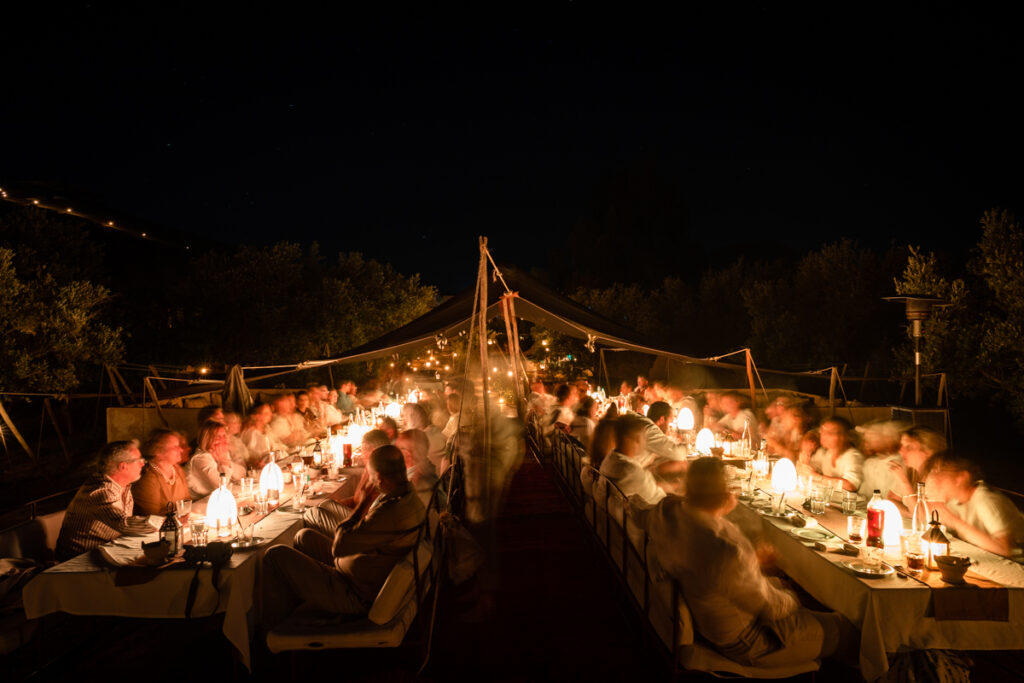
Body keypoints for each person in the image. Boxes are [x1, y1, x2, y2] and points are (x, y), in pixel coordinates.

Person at [649, 457, 854, 668]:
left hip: (714, 615)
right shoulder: (726, 550)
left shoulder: (669, 511)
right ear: (724, 492)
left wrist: (758, 569)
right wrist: (796, 597)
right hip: (750, 640)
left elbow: (721, 574)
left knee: (787, 588)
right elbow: (771, 608)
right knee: (846, 627)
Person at [262, 445, 426, 626]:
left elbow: (339, 546)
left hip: (354, 592)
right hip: (361, 573)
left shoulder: (391, 512)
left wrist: (362, 504)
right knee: (304, 536)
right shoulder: (407, 497)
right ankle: (307, 601)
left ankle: (277, 628)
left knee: (274, 555)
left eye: (369, 475)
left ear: (378, 479)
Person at [56, 440, 151, 560]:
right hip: (79, 561)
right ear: (123, 466)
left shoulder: (123, 486)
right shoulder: (100, 491)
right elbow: (123, 524)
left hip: (105, 552)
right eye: (139, 461)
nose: (143, 464)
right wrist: (167, 522)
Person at [925, 451, 1024, 559]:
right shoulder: (956, 500)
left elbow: (1005, 549)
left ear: (961, 477)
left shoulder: (985, 499)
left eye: (940, 475)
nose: (935, 479)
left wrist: (955, 522)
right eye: (934, 473)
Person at [302, 430, 392, 535]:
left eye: (364, 450)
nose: (361, 455)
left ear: (373, 451)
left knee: (313, 514)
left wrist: (344, 519)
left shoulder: (380, 474)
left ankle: (325, 543)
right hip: (357, 513)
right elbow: (356, 499)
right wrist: (337, 504)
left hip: (362, 526)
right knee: (325, 504)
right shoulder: (370, 467)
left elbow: (366, 512)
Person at [598, 415, 670, 508]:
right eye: (643, 438)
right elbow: (661, 501)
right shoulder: (632, 472)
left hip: (610, 514)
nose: (645, 442)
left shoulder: (610, 459)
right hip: (636, 519)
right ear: (631, 441)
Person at [886, 425, 947, 507]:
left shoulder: (938, 477)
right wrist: (910, 514)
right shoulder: (907, 470)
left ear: (928, 451)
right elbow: (891, 500)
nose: (900, 451)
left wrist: (903, 482)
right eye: (902, 446)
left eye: (909, 447)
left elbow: (923, 516)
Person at [133, 429, 191, 515]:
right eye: (175, 447)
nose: (181, 450)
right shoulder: (147, 477)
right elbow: (151, 517)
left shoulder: (177, 469)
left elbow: (187, 502)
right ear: (158, 452)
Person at [802, 417, 863, 492]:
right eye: (822, 432)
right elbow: (807, 470)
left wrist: (818, 477)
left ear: (844, 436)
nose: (823, 436)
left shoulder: (853, 456)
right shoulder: (824, 452)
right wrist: (806, 453)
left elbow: (851, 485)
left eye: (830, 433)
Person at [187, 419, 245, 498]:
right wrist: (223, 462)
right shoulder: (201, 458)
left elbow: (242, 474)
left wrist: (226, 462)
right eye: (218, 437)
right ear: (207, 438)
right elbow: (221, 485)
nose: (222, 440)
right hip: (198, 503)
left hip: (214, 499)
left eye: (224, 436)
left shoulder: (220, 452)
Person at [396, 429, 439, 505]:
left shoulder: (417, 481)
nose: (394, 452)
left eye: (397, 448)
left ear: (407, 454)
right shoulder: (426, 466)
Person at [241, 402, 284, 466]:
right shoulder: (251, 433)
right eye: (266, 413)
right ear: (256, 416)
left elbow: (275, 445)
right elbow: (247, 455)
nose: (270, 415)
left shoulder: (267, 428)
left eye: (270, 412)